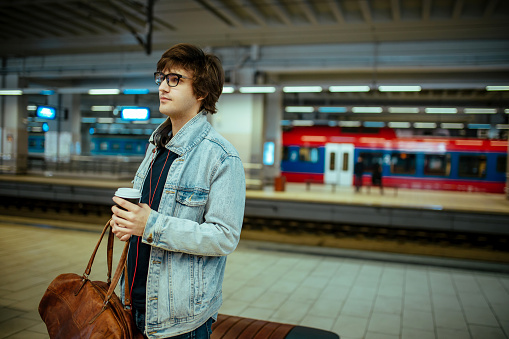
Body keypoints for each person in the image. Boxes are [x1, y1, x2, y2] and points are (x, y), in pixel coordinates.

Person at [110, 43, 246, 339]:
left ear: (201, 93)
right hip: (132, 305)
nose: (163, 86)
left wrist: (150, 225)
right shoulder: (155, 145)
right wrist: (129, 224)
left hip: (179, 319)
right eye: (161, 77)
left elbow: (224, 236)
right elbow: (146, 215)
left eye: (175, 79)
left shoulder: (221, 157)